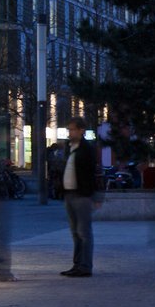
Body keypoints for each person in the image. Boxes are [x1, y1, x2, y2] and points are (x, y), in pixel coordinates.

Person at [60, 116, 98, 277]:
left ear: (81, 131)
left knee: (83, 232)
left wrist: (94, 196)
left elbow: (91, 173)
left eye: (72, 129)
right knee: (75, 232)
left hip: (82, 195)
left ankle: (85, 266)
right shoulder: (69, 148)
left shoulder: (87, 149)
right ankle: (77, 264)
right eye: (69, 129)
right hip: (69, 194)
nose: (70, 132)